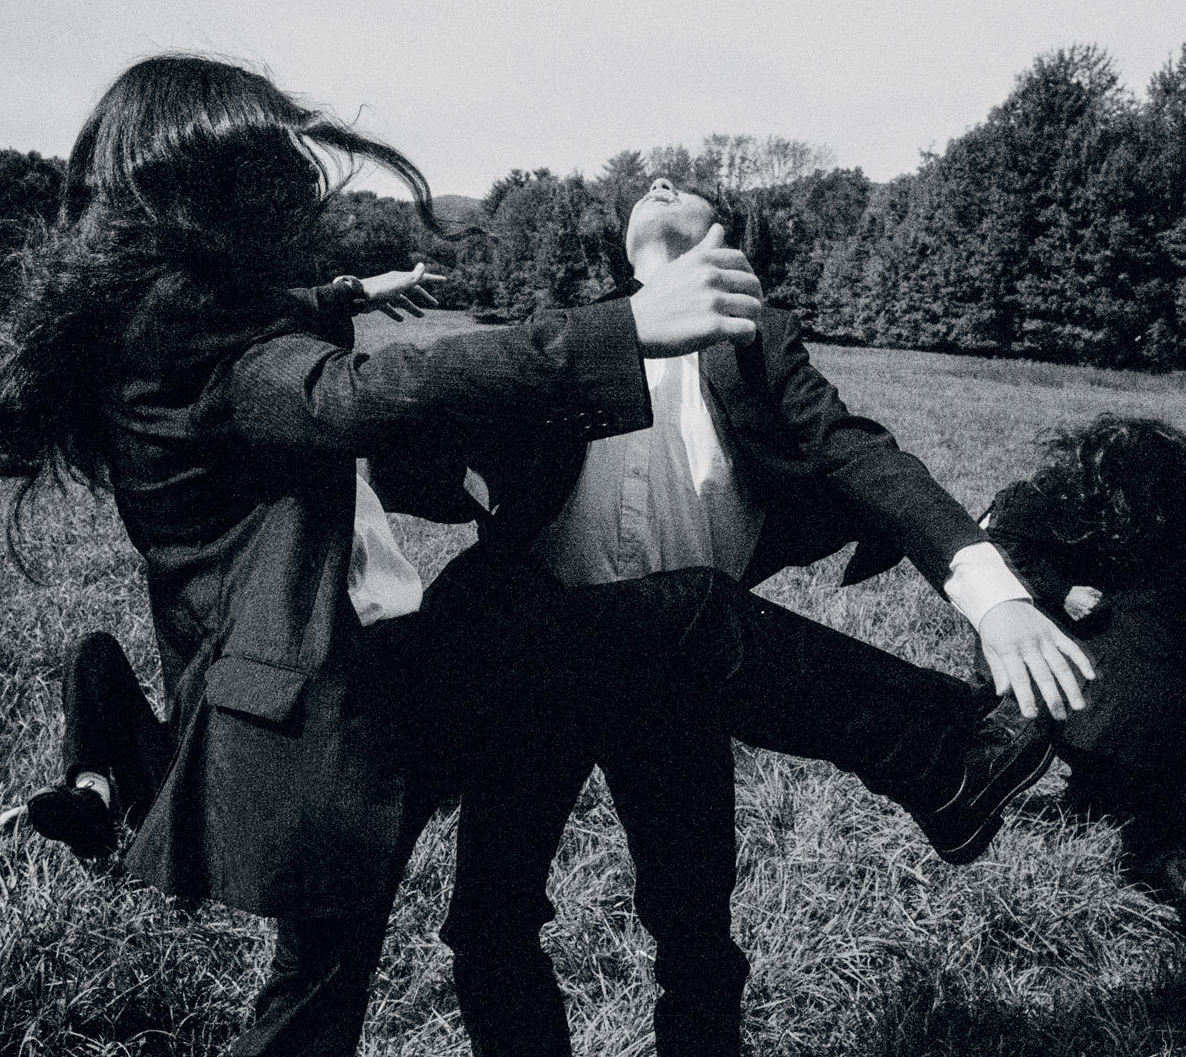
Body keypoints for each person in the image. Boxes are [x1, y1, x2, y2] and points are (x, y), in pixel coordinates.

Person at [0, 54, 1057, 1057]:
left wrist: (349, 296)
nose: (297, 196)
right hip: (411, 679)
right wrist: (620, 333)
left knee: (356, 982)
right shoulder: (207, 342)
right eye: (268, 173)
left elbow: (864, 457)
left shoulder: (159, 321)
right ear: (200, 191)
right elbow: (353, 399)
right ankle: (946, 760)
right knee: (491, 889)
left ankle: (946, 764)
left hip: (452, 690)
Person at [369, 177, 1097, 1053]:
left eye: (687, 187)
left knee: (695, 935)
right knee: (490, 923)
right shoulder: (571, 332)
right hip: (544, 648)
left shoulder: (758, 344)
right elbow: (424, 456)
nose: (659, 181)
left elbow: (862, 455)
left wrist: (997, 597)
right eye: (649, 184)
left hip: (679, 671)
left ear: (729, 238)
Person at [980, 415, 1186, 949]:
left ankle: (1162, 858)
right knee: (1151, 826)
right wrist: (1059, 590)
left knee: (1130, 783)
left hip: (1090, 700)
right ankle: (1181, 875)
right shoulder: (1055, 503)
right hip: (1095, 700)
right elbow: (993, 553)